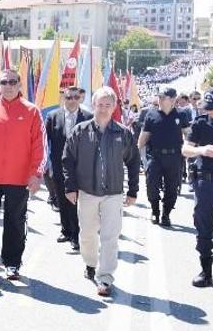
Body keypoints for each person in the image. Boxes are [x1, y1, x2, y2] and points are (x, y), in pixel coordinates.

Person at [62, 86, 140, 297]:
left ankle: (105, 278)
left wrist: (133, 191)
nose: (104, 108)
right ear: (93, 105)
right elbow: (67, 160)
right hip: (87, 192)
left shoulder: (123, 133)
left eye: (108, 105)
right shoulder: (80, 130)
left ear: (114, 107)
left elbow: (133, 162)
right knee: (87, 234)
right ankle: (90, 263)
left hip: (113, 194)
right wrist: (70, 187)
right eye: (100, 104)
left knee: (110, 237)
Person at [0, 69, 44, 281]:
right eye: (4, 82)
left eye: (13, 81)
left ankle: (12, 263)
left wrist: (36, 173)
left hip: (19, 178)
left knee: (14, 220)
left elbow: (39, 145)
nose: (9, 85)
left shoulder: (32, 111)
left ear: (20, 84)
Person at [182, 86, 213, 288]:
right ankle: (206, 270)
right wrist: (201, 150)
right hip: (206, 183)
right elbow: (186, 149)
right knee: (204, 228)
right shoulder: (201, 123)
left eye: (212, 107)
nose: (207, 110)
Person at [45, 86, 93, 251]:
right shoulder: (53, 117)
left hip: (80, 167)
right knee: (62, 198)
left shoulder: (88, 116)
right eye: (69, 97)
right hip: (59, 165)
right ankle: (66, 230)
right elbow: (46, 142)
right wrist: (46, 163)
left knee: (76, 201)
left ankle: (76, 235)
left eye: (75, 97)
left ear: (80, 98)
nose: (72, 100)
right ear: (63, 99)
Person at [138, 87, 190, 226]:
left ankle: (166, 213)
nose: (159, 100)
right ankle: (155, 211)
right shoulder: (151, 114)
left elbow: (187, 135)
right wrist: (134, 154)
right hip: (155, 156)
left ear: (173, 100)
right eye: (159, 97)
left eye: (163, 97)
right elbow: (144, 136)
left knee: (172, 188)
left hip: (174, 157)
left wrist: (190, 150)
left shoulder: (181, 115)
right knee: (151, 185)